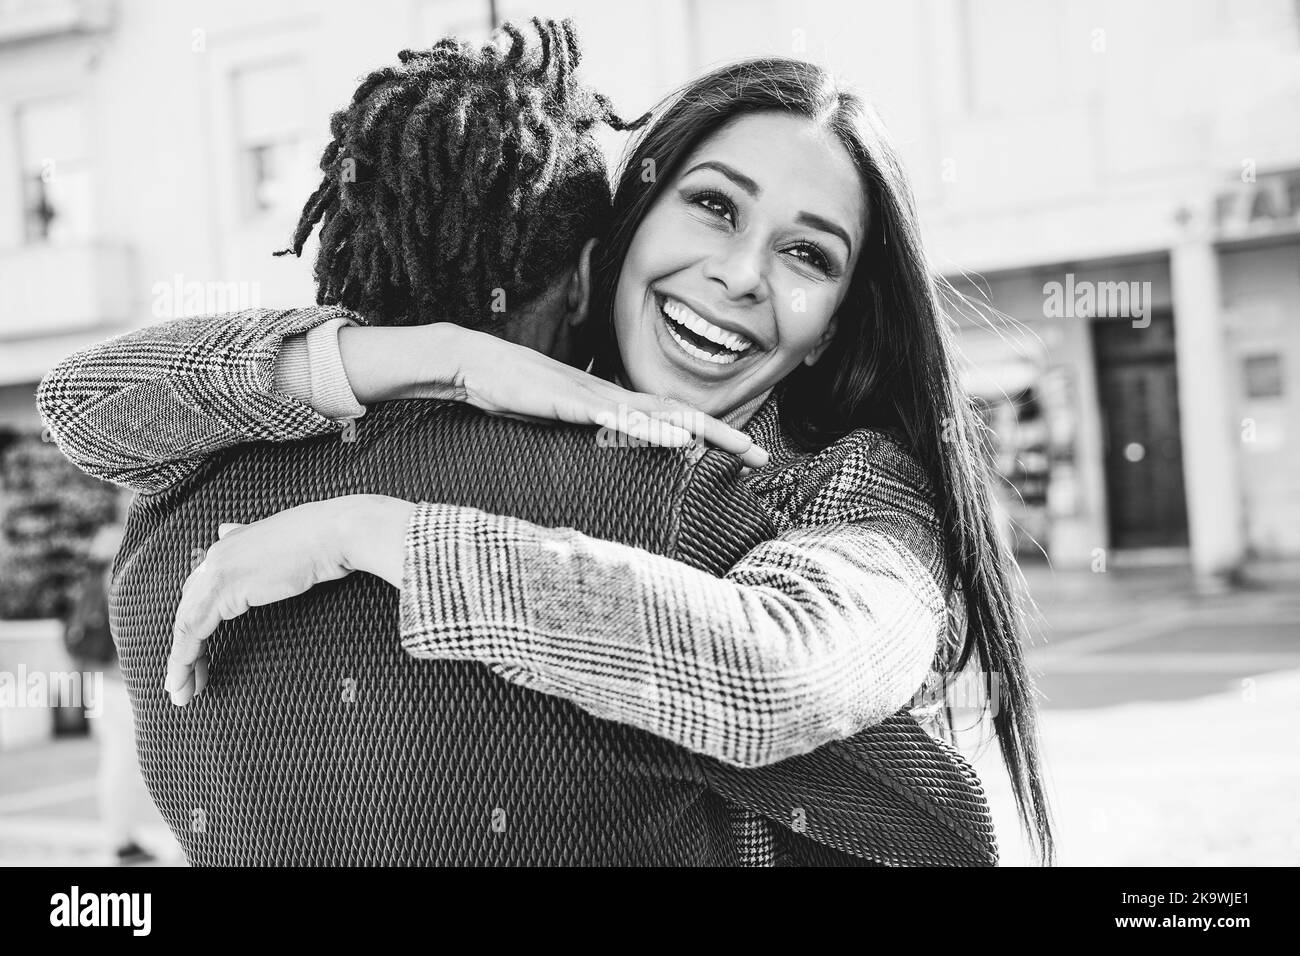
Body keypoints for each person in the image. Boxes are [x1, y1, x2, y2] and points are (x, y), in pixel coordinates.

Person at [40, 22, 1051, 863]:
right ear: (625, 229)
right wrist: (437, 355)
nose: (742, 272)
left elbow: (777, 675)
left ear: (834, 319)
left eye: (804, 253)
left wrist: (375, 533)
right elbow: (82, 401)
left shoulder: (852, 489)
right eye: (712, 204)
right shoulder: (522, 434)